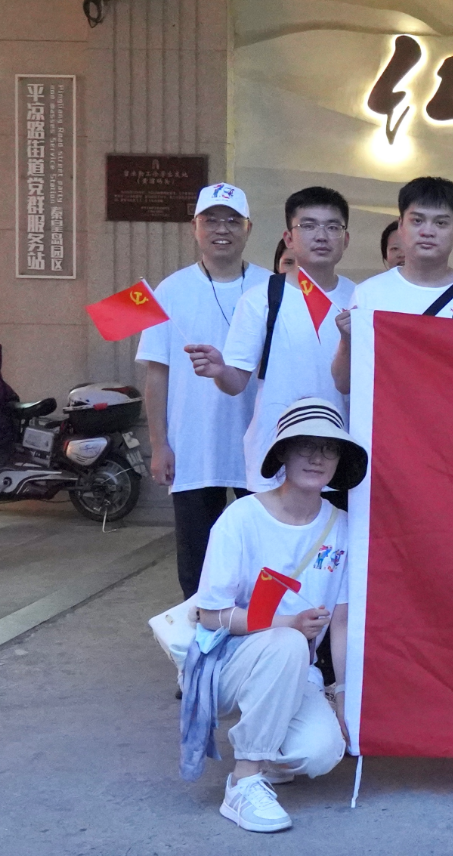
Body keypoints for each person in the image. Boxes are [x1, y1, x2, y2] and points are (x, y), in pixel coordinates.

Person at [182, 398, 367, 832]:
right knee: (287, 642)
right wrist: (289, 626)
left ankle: (266, 754)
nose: (317, 457)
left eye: (329, 448)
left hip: (295, 668)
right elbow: (209, 614)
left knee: (321, 752)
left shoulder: (343, 526)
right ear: (282, 452)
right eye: (305, 445)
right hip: (227, 664)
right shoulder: (241, 518)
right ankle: (244, 781)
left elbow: (341, 623)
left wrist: (344, 697)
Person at [136, 183, 268, 599]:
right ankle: (199, 635)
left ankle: (261, 635)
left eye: (232, 220)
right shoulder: (171, 290)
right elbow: (156, 374)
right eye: (210, 220)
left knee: (263, 558)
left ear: (248, 228)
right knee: (196, 564)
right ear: (194, 227)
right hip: (194, 447)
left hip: (261, 448)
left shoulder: (271, 288)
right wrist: (159, 445)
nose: (221, 229)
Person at [187, 186, 355, 493]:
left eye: (333, 227)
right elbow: (236, 383)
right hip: (275, 451)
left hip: (340, 450)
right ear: (289, 238)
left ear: (345, 239)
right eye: (308, 225)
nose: (321, 236)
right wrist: (220, 370)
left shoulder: (361, 299)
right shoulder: (262, 297)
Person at [333, 177, 453, 393]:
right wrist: (347, 341)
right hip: (389, 414)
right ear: (401, 225)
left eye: (441, 223)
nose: (427, 231)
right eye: (417, 221)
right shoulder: (369, 293)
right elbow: (344, 385)